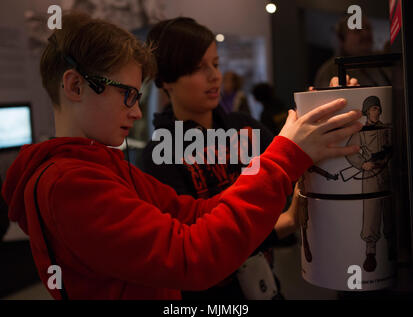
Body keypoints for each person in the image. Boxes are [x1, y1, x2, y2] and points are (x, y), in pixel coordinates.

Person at [1, 12, 362, 300]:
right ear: (74, 86)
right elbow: (191, 255)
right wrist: (284, 160)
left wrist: (298, 144)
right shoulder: (69, 183)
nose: (136, 111)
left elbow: (192, 213)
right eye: (126, 95)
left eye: (215, 64)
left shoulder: (98, 163)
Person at [142, 18, 293, 300]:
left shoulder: (244, 127)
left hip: (265, 286)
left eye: (216, 63)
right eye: (199, 68)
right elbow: (194, 247)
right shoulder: (159, 155)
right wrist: (282, 225)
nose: (215, 76)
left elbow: (290, 176)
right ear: (165, 81)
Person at [345, 96, 396, 272]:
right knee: (372, 212)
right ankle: (371, 251)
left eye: (377, 108)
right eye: (373, 108)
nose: (376, 111)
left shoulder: (387, 129)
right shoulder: (360, 131)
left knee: (390, 210)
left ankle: (391, 246)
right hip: (370, 175)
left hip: (386, 174)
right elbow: (351, 153)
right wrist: (363, 164)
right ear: (367, 111)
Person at [314, 15, 392, 88]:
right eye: (357, 30)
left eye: (368, 28)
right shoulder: (329, 71)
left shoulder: (382, 60)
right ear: (342, 39)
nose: (366, 34)